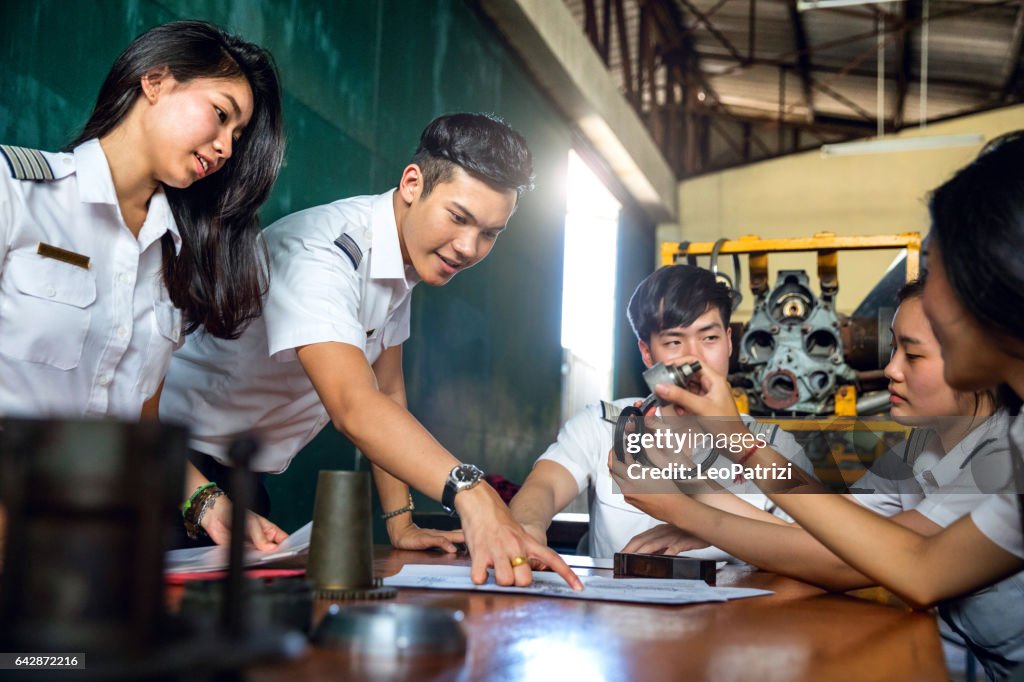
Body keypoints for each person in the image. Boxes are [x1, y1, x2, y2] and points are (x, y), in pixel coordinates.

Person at [617, 133, 1024, 679]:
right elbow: (841, 533)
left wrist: (684, 506)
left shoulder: (1003, 454)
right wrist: (729, 457)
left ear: (991, 284)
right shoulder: (925, 450)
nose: (891, 368)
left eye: (938, 272)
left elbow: (910, 566)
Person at [160, 113, 582, 589]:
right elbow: (354, 405)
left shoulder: (402, 261)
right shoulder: (323, 252)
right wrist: (471, 491)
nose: (468, 247)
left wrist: (400, 522)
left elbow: (388, 394)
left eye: (490, 233)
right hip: (168, 464)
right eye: (459, 218)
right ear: (412, 182)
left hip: (243, 477)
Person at [0, 20, 284, 552]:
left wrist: (211, 506)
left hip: (103, 550)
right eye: (221, 115)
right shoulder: (15, 194)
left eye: (236, 138)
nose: (225, 147)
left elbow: (140, 422)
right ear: (154, 81)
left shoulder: (174, 258)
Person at [510, 264, 816, 559]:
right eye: (673, 341)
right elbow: (545, 486)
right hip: (620, 610)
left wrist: (717, 529)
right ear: (646, 352)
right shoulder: (604, 425)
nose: (693, 359)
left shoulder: (775, 447)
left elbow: (819, 554)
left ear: (729, 343)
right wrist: (525, 530)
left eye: (709, 338)